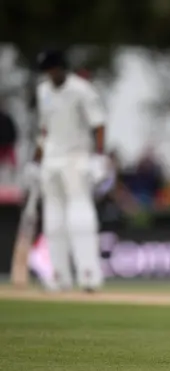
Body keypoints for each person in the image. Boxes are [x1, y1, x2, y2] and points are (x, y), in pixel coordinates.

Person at [30, 49, 111, 292]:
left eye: (53, 69)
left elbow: (98, 125)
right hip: (51, 160)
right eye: (46, 71)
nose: (50, 75)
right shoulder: (43, 90)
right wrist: (36, 160)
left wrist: (98, 157)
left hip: (77, 157)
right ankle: (58, 276)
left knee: (80, 213)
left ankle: (89, 275)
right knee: (53, 217)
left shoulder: (81, 90)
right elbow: (44, 130)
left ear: (62, 68)